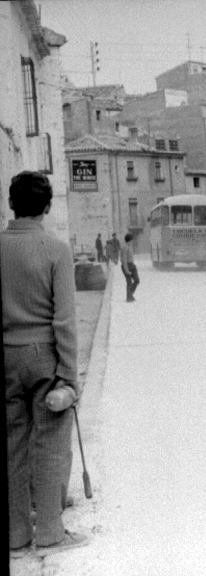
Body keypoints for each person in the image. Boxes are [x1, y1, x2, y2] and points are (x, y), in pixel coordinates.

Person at [2, 171, 88, 557]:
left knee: (13, 448)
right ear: (48, 207)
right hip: (44, 360)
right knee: (50, 445)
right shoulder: (56, 250)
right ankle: (51, 533)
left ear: (11, 204)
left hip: (7, 358)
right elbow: (65, 321)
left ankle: (16, 537)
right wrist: (69, 379)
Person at [120, 233, 140, 302]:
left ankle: (130, 293)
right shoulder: (124, 247)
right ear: (130, 240)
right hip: (126, 265)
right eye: (132, 240)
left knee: (137, 280)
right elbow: (124, 259)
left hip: (132, 264)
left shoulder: (129, 247)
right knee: (129, 282)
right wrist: (126, 270)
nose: (132, 241)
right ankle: (129, 298)